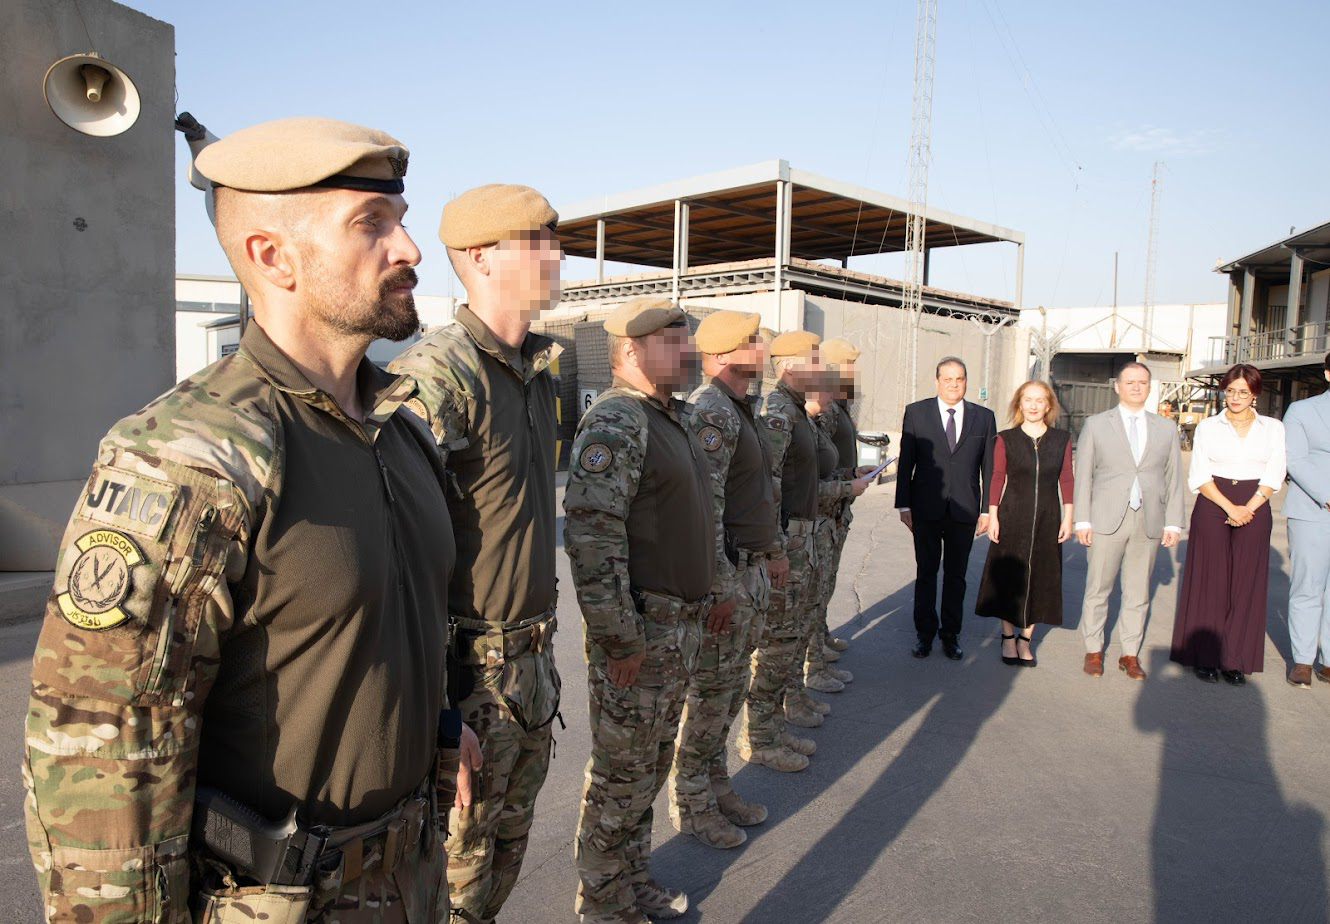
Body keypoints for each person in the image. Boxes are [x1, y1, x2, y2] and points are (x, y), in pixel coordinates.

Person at [23, 117, 479, 923]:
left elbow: (395, 629)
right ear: (273, 257)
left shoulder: (404, 433)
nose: (409, 249)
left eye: (401, 222)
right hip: (279, 900)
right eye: (372, 226)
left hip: (412, 881)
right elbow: (105, 756)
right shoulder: (192, 452)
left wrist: (445, 724)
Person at [388, 184, 562, 922]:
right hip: (468, 679)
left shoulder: (537, 372)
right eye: (539, 241)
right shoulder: (440, 373)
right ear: (483, 259)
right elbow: (394, 559)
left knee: (502, 864)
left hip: (532, 665)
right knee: (451, 883)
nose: (558, 255)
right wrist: (436, 715)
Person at [564, 297, 716, 924]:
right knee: (620, 779)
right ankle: (601, 902)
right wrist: (620, 640)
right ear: (630, 351)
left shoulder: (667, 417)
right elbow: (592, 541)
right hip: (641, 635)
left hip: (673, 631)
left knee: (647, 771)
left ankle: (629, 879)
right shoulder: (619, 422)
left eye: (688, 341)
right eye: (673, 343)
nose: (688, 353)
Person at [668, 310, 782, 850]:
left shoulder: (742, 408)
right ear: (721, 356)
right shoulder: (713, 411)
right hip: (728, 579)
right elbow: (705, 507)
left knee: (730, 693)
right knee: (710, 699)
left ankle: (716, 786)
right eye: (752, 341)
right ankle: (691, 802)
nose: (762, 348)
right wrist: (721, 584)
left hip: (749, 572)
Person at [739, 332, 843, 773]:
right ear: (787, 366)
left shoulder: (797, 409)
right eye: (813, 363)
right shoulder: (779, 410)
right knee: (778, 645)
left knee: (794, 634)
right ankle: (759, 736)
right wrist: (776, 549)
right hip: (790, 544)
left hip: (805, 539)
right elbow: (770, 486)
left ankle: (775, 726)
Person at [1171, 365, 1286, 684]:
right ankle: (1205, 655)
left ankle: (1235, 658)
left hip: (1255, 504)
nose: (1235, 398)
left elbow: (1275, 472)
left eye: (1243, 392)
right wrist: (1229, 506)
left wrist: (1248, 507)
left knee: (1245, 584)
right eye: (1230, 391)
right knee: (1212, 581)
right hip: (1213, 502)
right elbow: (1199, 474)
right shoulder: (1208, 426)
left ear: (1255, 394)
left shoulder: (1273, 427)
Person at [1073, 361, 1185, 681]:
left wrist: (1173, 523)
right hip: (1106, 518)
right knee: (1099, 588)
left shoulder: (1165, 428)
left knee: (1138, 592)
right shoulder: (1096, 424)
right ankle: (1094, 649)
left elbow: (1173, 477)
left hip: (1148, 519)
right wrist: (1083, 520)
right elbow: (1084, 476)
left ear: (1150, 388)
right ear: (1117, 386)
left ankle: (1129, 654)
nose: (1137, 387)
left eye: (1143, 382)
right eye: (1130, 382)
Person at [895, 356, 997, 660]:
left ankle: (951, 635)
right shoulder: (917, 413)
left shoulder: (984, 417)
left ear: (966, 381)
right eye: (948, 379)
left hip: (965, 511)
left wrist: (987, 509)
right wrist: (903, 504)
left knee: (957, 575)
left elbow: (989, 468)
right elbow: (906, 463)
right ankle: (924, 634)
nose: (954, 384)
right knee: (926, 572)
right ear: (937, 380)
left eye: (960, 379)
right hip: (925, 508)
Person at [975, 381, 1074, 666]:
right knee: (1008, 577)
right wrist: (992, 515)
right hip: (1012, 515)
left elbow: (1066, 478)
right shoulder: (1006, 439)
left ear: (1048, 406)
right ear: (1019, 404)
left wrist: (1068, 516)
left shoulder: (1061, 439)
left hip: (1048, 516)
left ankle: (1026, 638)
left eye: (1039, 400)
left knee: (1043, 576)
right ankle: (1007, 637)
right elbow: (996, 478)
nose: (1033, 405)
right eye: (1027, 400)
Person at [816, 337, 867, 659]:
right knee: (817, 586)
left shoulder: (840, 405)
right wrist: (845, 483)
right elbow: (818, 465)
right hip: (824, 508)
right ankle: (813, 648)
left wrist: (853, 472)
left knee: (827, 582)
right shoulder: (827, 409)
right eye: (849, 369)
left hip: (838, 504)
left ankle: (820, 634)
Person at [1283, 353, 1330, 688]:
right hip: (1313, 510)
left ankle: (1329, 661)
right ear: (1328, 373)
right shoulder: (1301, 411)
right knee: (1307, 586)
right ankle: (1302, 659)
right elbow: (1295, 459)